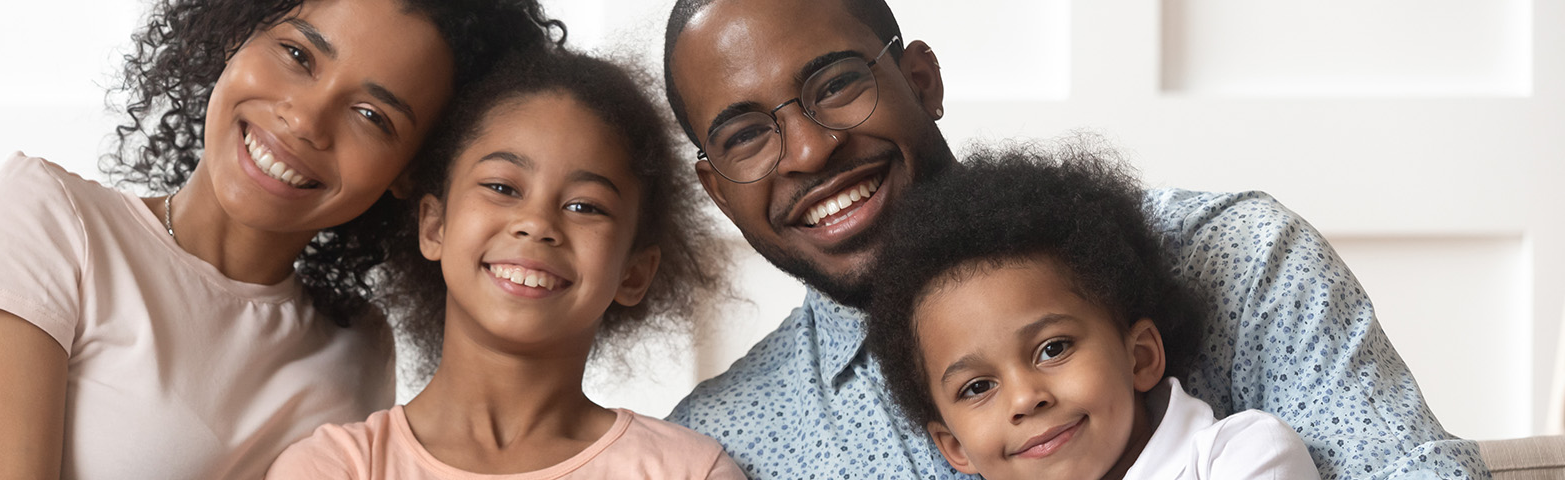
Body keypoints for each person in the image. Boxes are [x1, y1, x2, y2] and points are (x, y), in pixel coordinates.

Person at [656, 0, 1487, 477]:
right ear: (716, 189)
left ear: (921, 81)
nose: (809, 150)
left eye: (834, 85)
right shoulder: (723, 449)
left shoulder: (1237, 257)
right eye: (744, 136)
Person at [0, 0, 559, 478]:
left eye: (371, 115)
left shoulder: (358, 350)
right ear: (233, 34)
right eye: (298, 55)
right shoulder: (47, 221)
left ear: (413, 172)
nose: (304, 120)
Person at [266, 48, 740, 479]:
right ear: (434, 226)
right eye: (502, 187)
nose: (536, 224)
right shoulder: (336, 467)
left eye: (585, 206)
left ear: (634, 273)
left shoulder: (689, 472)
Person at [862, 151, 1317, 479]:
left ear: (1139, 356)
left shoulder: (1243, 455)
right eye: (978, 387)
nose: (1025, 399)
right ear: (955, 447)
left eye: (1052, 349)